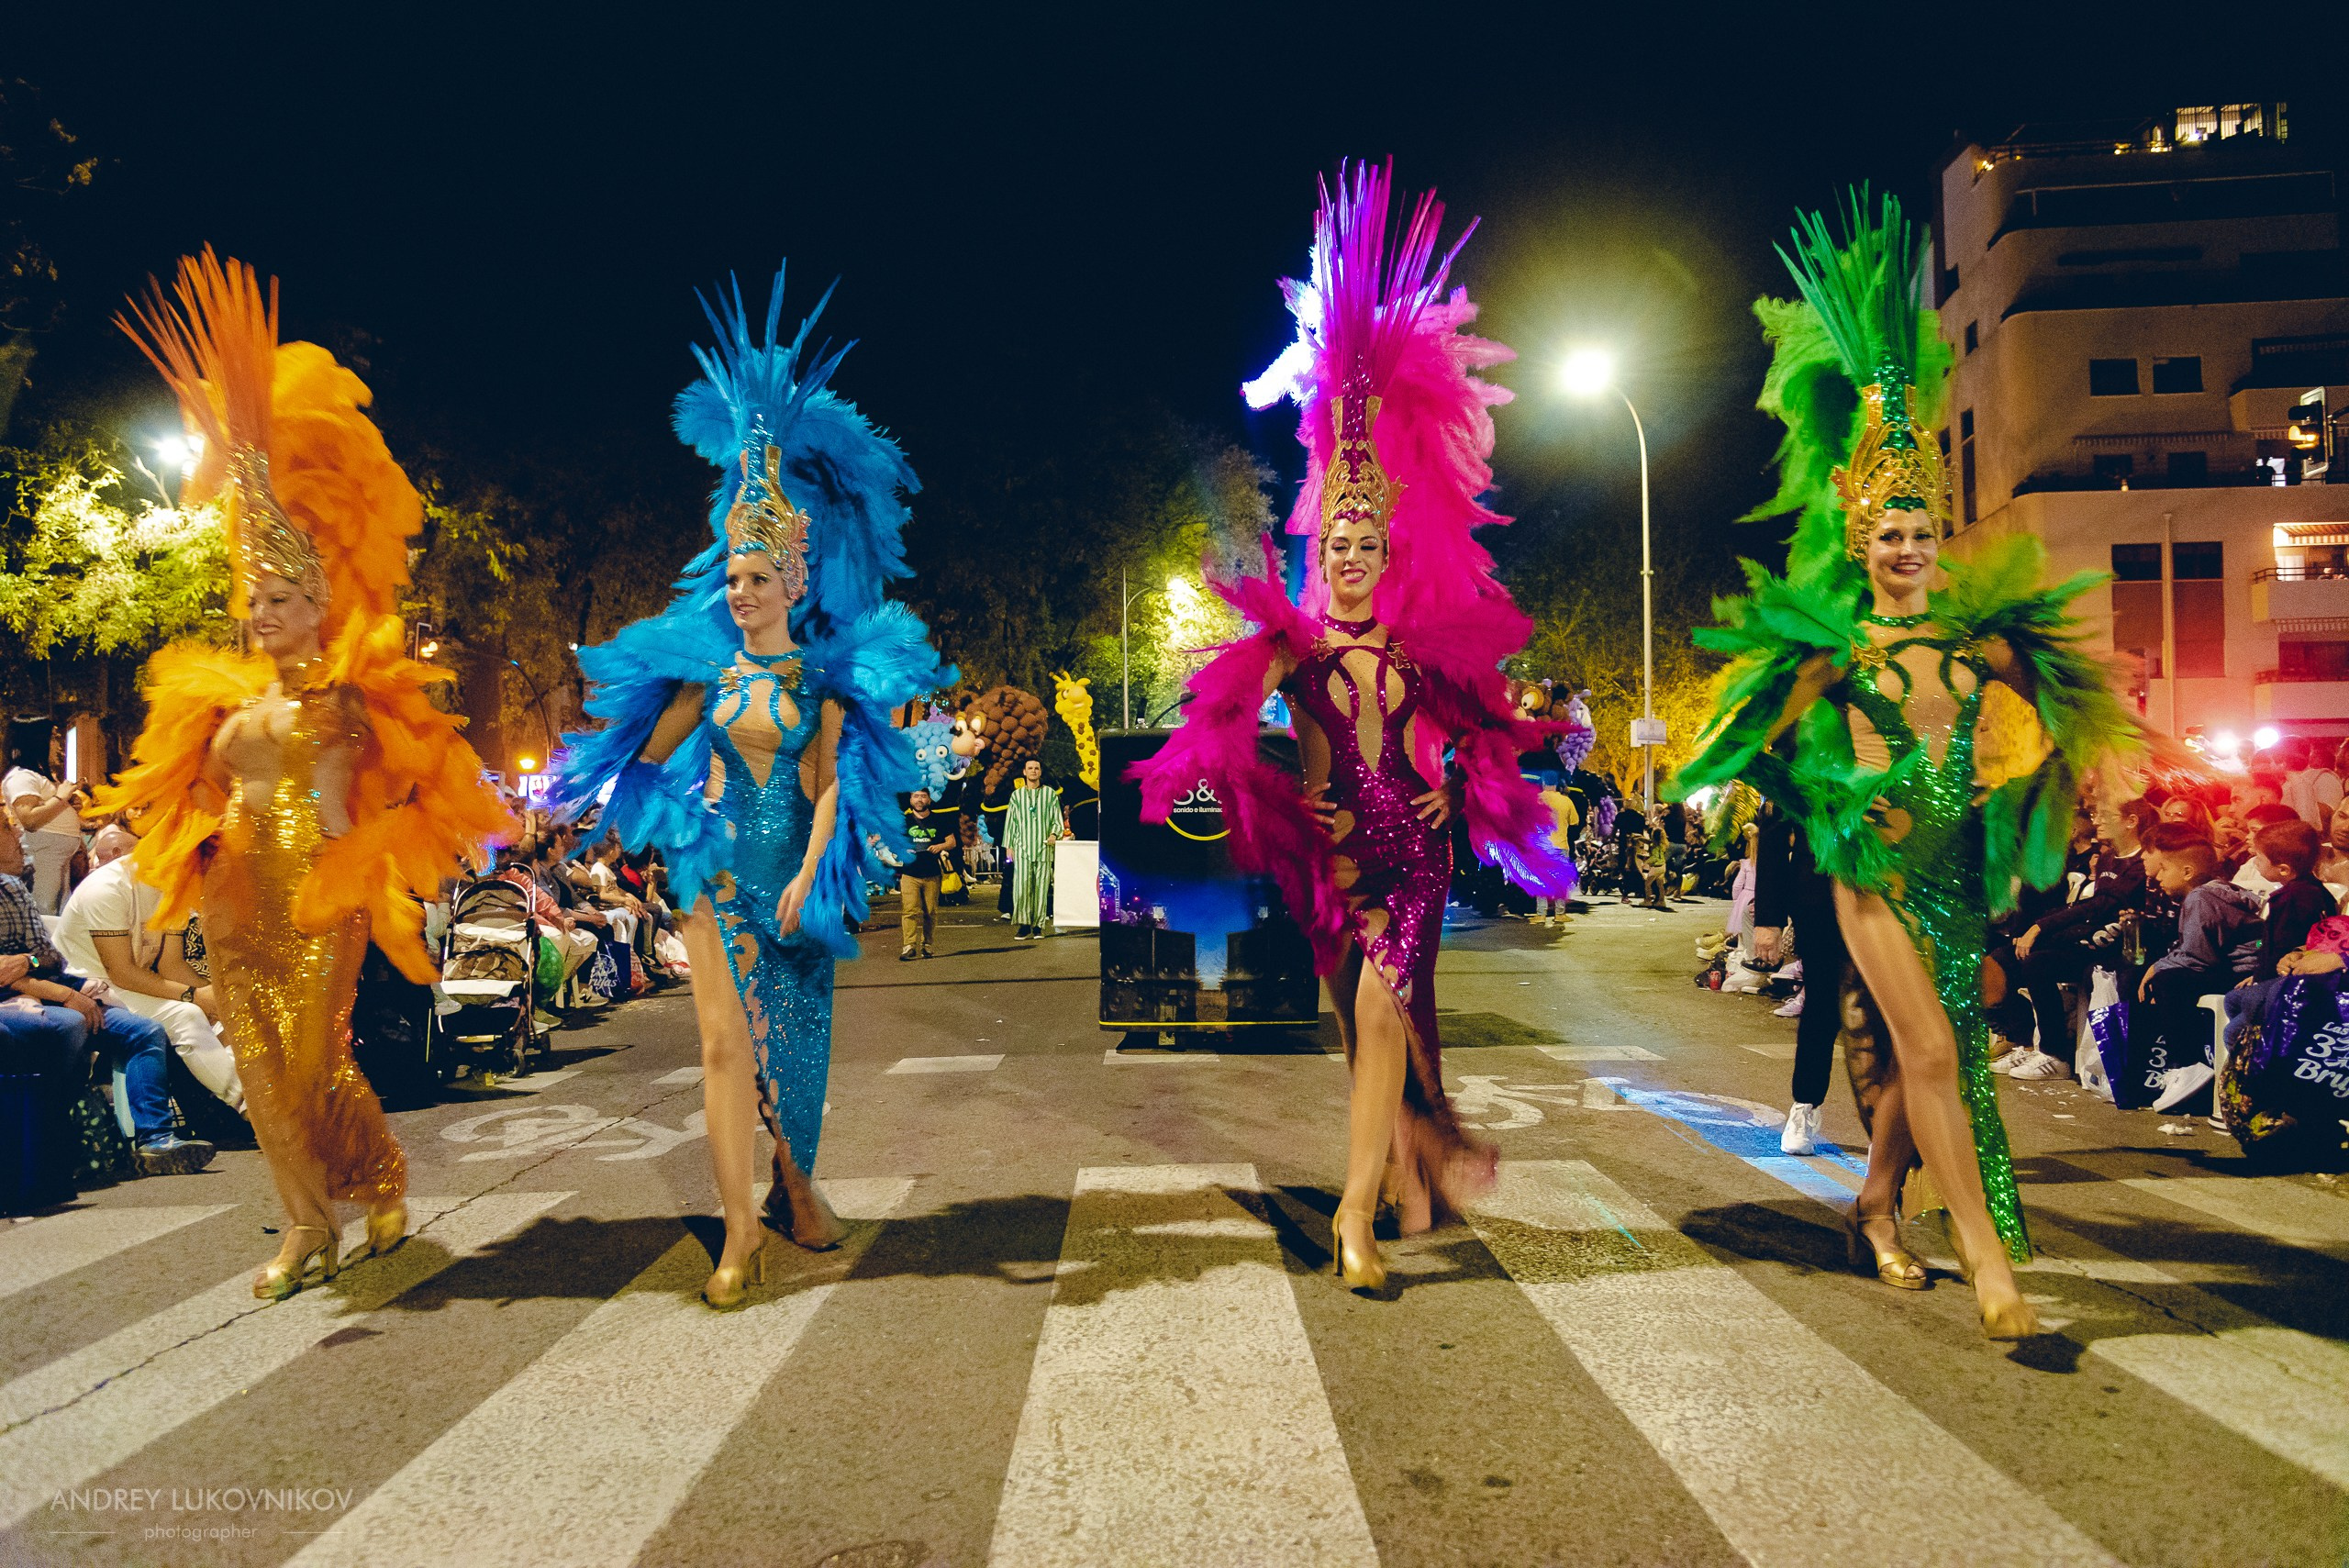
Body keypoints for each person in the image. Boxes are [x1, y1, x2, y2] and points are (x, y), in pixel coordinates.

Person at [1675, 193, 2135, 1339]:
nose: (1907, 547)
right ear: (1860, 539)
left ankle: (1876, 1206)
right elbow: (1739, 750)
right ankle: (1989, 1267)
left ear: (1939, 535)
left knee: (1954, 1034)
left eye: (1922, 529)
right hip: (1870, 871)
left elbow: (2068, 730)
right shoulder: (1836, 657)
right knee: (1928, 1050)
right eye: (1887, 532)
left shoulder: (1977, 646)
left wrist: (2038, 798)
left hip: (1954, 871)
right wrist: (1831, 810)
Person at [1136, 162, 1575, 1293]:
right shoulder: (1298, 646)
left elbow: (1491, 729)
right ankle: (1389, 1175)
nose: (1348, 557)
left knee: (1385, 1019)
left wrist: (1460, 784)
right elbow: (1218, 720)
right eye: (1334, 544)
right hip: (1332, 858)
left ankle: (1354, 1217)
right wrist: (1263, 793)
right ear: (1317, 552)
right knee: (1361, 1029)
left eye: (1366, 547)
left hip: (1413, 856)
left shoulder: (1418, 651)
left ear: (1388, 558)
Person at [97, 252, 511, 1299]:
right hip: (238, 890)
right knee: (262, 1069)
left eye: (281, 599)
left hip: (323, 888)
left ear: (319, 600)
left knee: (317, 1053)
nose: (263, 616)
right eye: (254, 603)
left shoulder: (352, 691)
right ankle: (300, 1226)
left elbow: (424, 771)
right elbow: (178, 800)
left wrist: (368, 823)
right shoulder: (223, 704)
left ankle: (374, 1173)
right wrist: (181, 873)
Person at [555, 268, 948, 1308]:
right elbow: (639, 759)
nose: (737, 589)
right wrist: (675, 821)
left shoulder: (823, 677)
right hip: (722, 870)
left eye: (755, 577)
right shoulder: (709, 677)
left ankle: (796, 1185)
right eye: (729, 574)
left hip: (797, 880)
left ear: (792, 584)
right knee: (725, 1045)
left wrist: (815, 870)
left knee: (800, 1053)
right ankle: (738, 1235)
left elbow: (827, 784)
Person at [0, 817, 215, 1178]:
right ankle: (57, 1142)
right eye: (8, 830)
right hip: (36, 999)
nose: (20, 837)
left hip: (57, 992)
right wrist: (59, 992)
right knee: (66, 1026)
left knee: (144, 1031)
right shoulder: (107, 888)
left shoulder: (13, 890)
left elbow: (47, 955)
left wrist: (27, 961)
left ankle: (156, 1139)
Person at [54, 822, 245, 1118]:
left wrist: (218, 1000)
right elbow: (122, 973)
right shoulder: (107, 888)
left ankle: (260, 1102)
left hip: (131, 985)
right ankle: (249, 1109)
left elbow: (172, 965)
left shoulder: (172, 889)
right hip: (87, 986)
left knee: (230, 1019)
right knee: (188, 1015)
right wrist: (196, 997)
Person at [6, 718, 87, 914]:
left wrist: (67, 804)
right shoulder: (22, 776)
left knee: (56, 913)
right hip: (41, 858)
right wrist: (61, 798)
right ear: (37, 741)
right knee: (44, 913)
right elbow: (30, 820)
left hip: (55, 858)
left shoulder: (37, 776)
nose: (59, 746)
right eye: (53, 739)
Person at [2250, 817, 2338, 980]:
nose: (2255, 862)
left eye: (2259, 858)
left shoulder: (2287, 899)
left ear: (2284, 869)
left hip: (2285, 977)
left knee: (2233, 999)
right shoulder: (2321, 891)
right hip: (2307, 970)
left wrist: (2258, 978)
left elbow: (2275, 946)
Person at [1005, 758, 1063, 940]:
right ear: (1024, 772)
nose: (1033, 771)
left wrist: (1054, 834)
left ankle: (1038, 926)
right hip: (1022, 848)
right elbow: (1011, 822)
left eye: (1036, 768)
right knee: (1022, 888)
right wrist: (1009, 846)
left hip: (1043, 848)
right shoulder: (1016, 796)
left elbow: (1057, 819)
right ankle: (1023, 925)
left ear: (1040, 772)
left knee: (1041, 888)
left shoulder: (1050, 794)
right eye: (1030, 768)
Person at [896, 787, 948, 959]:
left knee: (930, 912)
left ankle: (927, 945)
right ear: (911, 800)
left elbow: (952, 841)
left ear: (929, 800)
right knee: (909, 910)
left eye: (923, 797)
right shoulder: (903, 821)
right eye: (916, 796)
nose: (919, 800)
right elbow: (893, 842)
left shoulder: (939, 820)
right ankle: (909, 946)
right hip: (909, 873)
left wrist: (940, 847)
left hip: (932, 873)